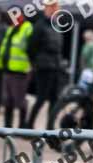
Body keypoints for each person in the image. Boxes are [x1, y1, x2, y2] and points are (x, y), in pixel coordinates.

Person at [26, 0, 65, 128]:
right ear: (46, 8)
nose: (55, 9)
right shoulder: (40, 25)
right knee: (41, 98)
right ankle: (29, 125)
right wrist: (36, 62)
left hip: (55, 66)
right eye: (52, 7)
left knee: (54, 98)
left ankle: (50, 128)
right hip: (44, 67)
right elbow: (31, 47)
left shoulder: (56, 26)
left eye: (56, 7)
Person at [0, 8, 32, 128]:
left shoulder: (27, 28)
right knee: (7, 101)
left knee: (20, 101)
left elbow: (32, 47)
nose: (13, 18)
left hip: (20, 71)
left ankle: (22, 127)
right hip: (7, 69)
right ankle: (7, 127)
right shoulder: (11, 28)